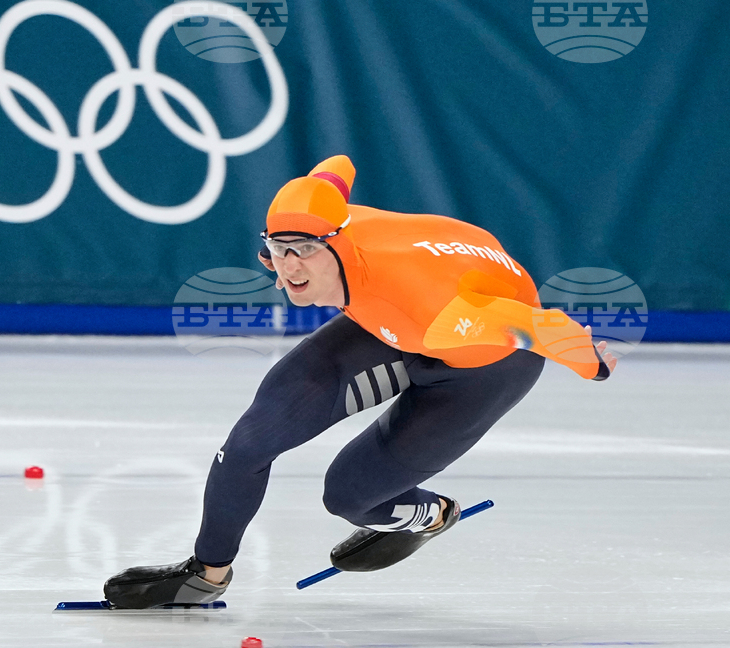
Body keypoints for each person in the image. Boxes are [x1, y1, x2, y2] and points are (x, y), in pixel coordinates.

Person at [103, 156, 617, 609]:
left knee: (349, 497)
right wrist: (319, 199)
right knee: (250, 442)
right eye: (276, 250)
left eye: (303, 250)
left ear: (338, 246)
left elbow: (536, 326)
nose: (288, 268)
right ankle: (205, 575)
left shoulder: (437, 308)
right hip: (391, 317)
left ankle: (430, 515)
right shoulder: (335, 234)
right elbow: (335, 169)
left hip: (481, 361)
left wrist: (592, 360)